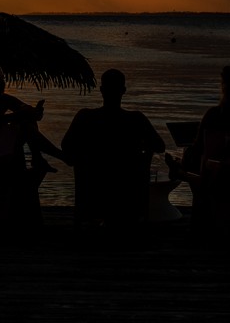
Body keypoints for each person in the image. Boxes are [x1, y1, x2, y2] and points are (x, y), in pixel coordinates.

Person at [62, 69, 166, 229]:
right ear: (123, 91)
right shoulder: (137, 120)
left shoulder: (85, 117)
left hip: (92, 194)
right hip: (128, 196)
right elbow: (160, 146)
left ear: (102, 90)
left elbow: (66, 146)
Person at [165, 65, 230, 178]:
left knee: (189, 153)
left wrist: (187, 155)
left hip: (216, 176)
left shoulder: (215, 114)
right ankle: (177, 165)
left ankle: (177, 168)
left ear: (224, 88)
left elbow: (198, 148)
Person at [0, 62, 67, 173]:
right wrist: (18, 115)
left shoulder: (2, 99)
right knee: (25, 125)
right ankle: (58, 156)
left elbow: (25, 110)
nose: (2, 82)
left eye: (2, 78)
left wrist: (36, 112)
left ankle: (37, 158)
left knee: (27, 120)